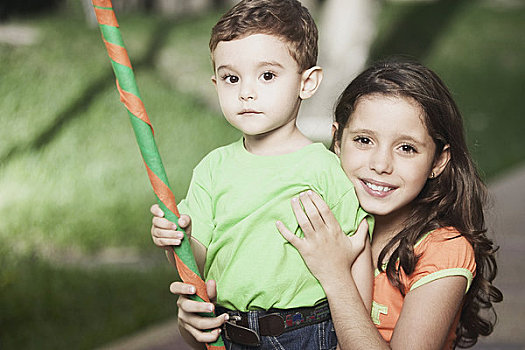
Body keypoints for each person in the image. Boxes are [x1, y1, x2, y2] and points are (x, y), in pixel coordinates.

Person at [167, 59, 503, 349]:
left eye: (407, 148)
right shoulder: (313, 221)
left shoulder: (443, 249)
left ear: (438, 161)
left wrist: (335, 273)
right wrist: (195, 324)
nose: (381, 164)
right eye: (363, 140)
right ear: (337, 141)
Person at [150, 0, 373, 349]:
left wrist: (355, 334)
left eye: (267, 75)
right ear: (216, 83)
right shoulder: (212, 169)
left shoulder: (326, 168)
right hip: (229, 331)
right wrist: (179, 237)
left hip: (308, 332)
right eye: (231, 78)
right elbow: (197, 261)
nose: (246, 91)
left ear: (307, 82)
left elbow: (357, 253)